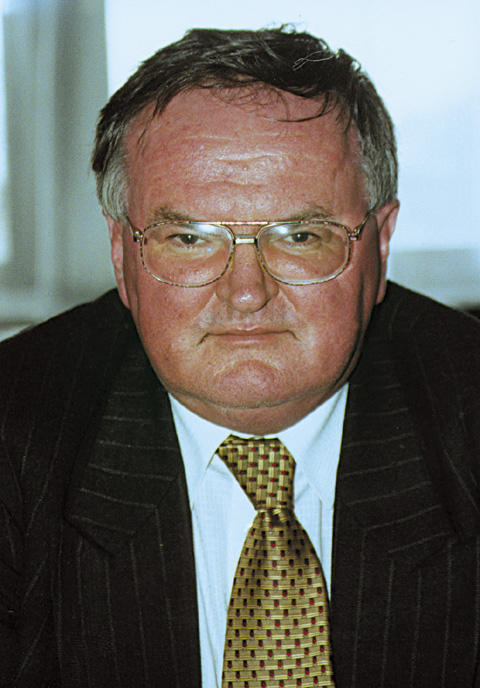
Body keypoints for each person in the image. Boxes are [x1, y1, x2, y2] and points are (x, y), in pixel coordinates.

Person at [0, 26, 479, 688]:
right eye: (189, 238)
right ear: (120, 252)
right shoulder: (15, 437)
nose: (247, 292)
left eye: (301, 235)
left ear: (380, 241)